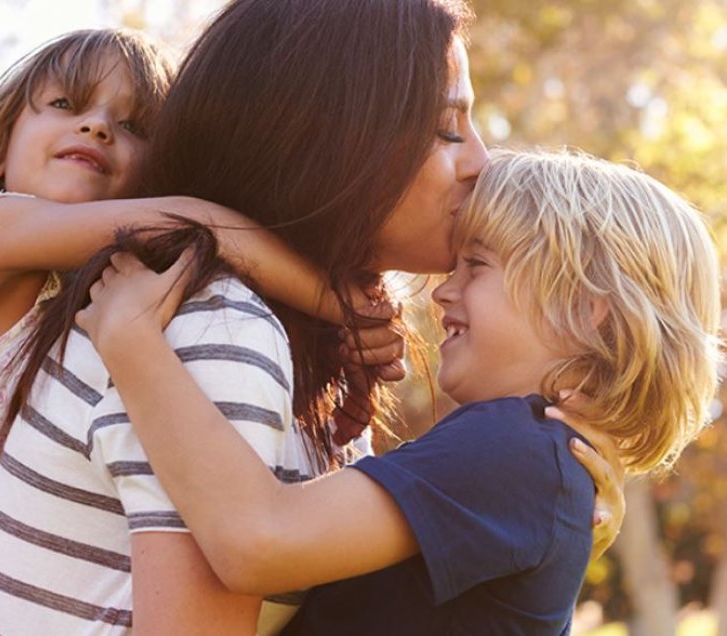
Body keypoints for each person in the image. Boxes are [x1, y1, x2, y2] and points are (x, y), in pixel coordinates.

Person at [0, 1, 624, 633]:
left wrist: (537, 505)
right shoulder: (216, 331)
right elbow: (253, 547)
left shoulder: (283, 342)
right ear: (332, 139)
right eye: (447, 127)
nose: (481, 162)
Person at [78, 147, 722, 635]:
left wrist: (132, 341)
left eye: (478, 265)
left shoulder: (516, 448)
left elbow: (257, 541)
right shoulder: (537, 462)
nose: (443, 290)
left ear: (587, 311)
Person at [0, 27, 365, 634]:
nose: (97, 128)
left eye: (132, 126)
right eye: (66, 105)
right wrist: (349, 309)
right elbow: (198, 222)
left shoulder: (69, 296)